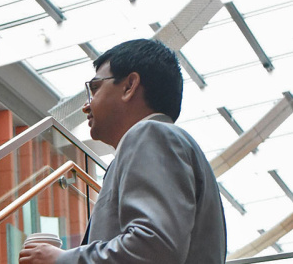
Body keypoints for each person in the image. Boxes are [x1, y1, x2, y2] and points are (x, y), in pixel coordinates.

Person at [19, 39, 226, 263]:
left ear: (129, 86)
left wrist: (62, 260)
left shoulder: (150, 134)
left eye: (95, 89)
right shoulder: (171, 143)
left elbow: (153, 246)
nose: (86, 106)